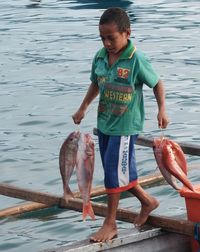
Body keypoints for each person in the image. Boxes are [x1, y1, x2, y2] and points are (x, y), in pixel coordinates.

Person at [72, 7, 169, 242]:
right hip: (104, 122)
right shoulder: (100, 57)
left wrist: (162, 110)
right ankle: (147, 201)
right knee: (113, 171)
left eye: (111, 38)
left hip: (125, 126)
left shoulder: (136, 58)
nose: (106, 43)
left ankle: (110, 223)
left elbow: (156, 83)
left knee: (114, 175)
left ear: (127, 33)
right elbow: (96, 83)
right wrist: (83, 107)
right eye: (102, 38)